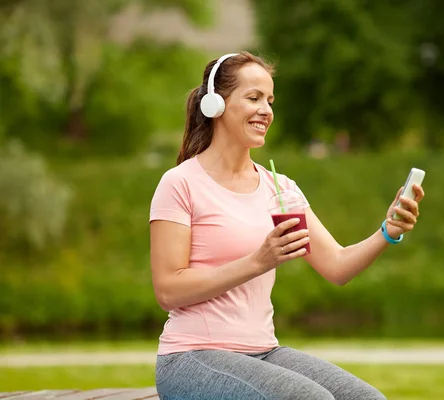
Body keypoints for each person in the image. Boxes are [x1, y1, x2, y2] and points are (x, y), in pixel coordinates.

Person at [149, 51, 425, 400]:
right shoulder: (181, 183)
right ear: (216, 104)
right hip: (192, 358)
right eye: (253, 98)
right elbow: (168, 290)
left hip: (263, 351)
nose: (266, 110)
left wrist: (388, 232)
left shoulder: (279, 188)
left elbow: (337, 266)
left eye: (269, 100)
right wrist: (258, 261)